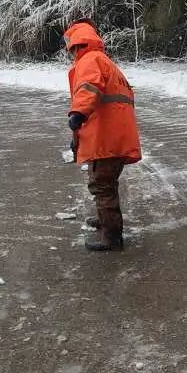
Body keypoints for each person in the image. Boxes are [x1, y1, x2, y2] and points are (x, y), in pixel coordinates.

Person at [64, 20, 142, 251]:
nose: (72, 53)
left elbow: (89, 88)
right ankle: (105, 218)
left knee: (102, 185)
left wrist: (78, 113)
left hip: (105, 136)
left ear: (77, 45)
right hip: (115, 134)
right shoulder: (107, 62)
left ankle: (112, 236)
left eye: (72, 48)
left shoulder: (90, 60)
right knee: (106, 180)